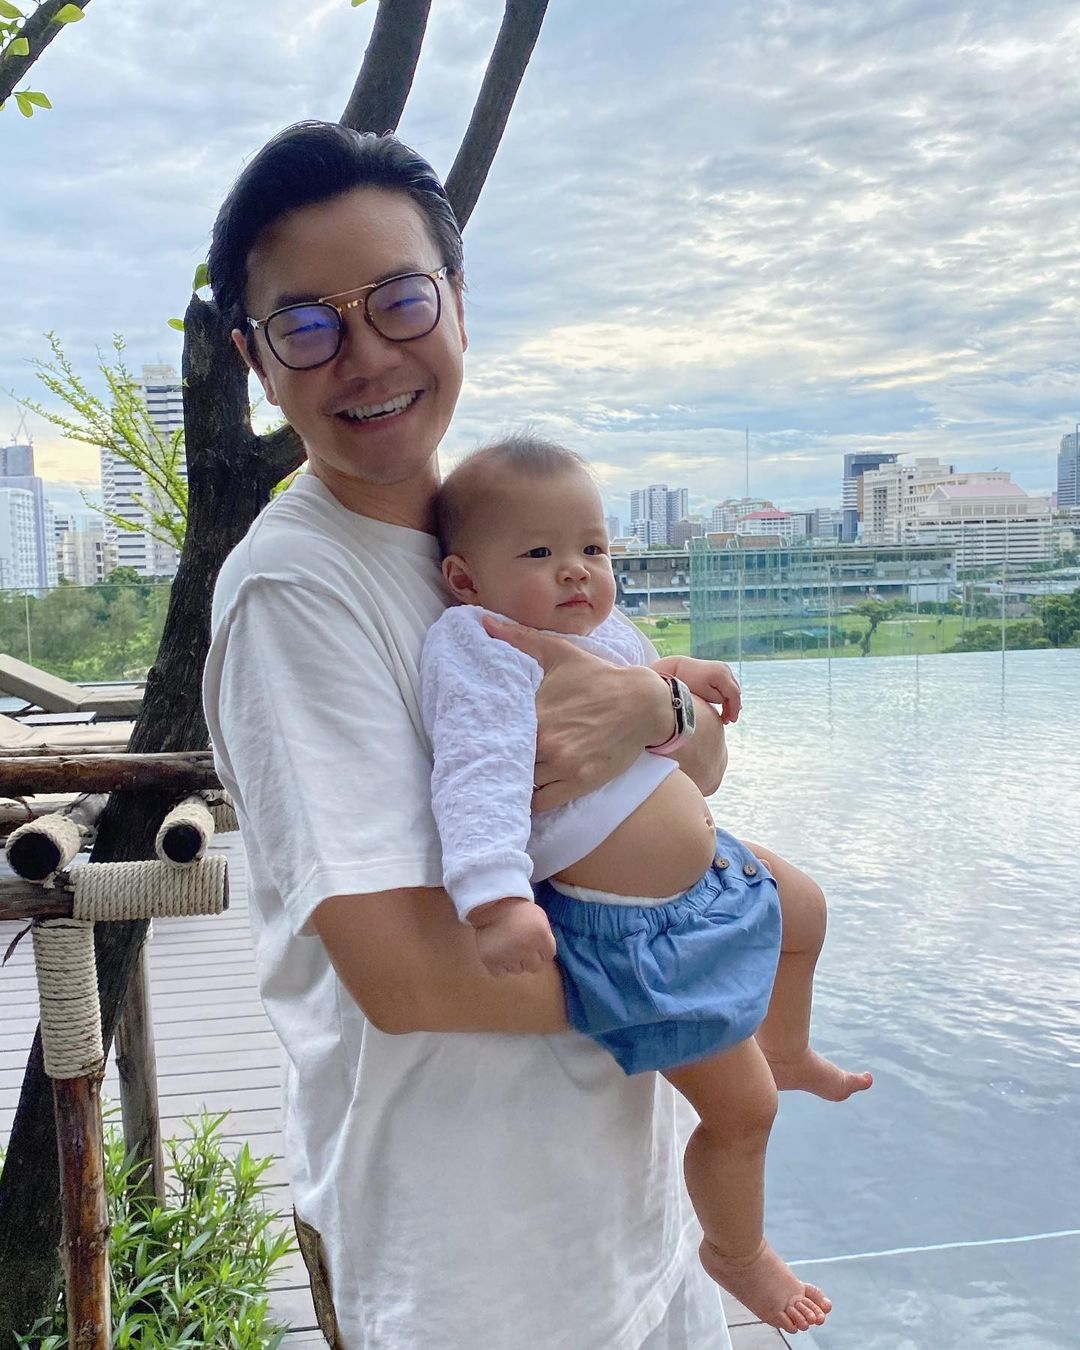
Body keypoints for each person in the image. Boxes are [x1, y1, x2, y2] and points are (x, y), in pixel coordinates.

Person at [202, 119, 752, 1350]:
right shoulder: (298, 591)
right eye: (307, 325)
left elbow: (701, 765)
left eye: (399, 300)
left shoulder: (506, 535)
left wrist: (656, 707)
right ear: (258, 362)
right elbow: (407, 976)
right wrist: (715, 973)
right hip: (481, 1266)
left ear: (458, 298)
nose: (365, 356)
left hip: (628, 1209)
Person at [421, 434, 872, 1335]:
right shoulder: (481, 647)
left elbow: (646, 688)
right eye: (540, 553)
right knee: (742, 1112)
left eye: (592, 548)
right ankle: (738, 1252)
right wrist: (496, 899)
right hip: (633, 934)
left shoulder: (599, 630)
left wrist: (681, 678)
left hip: (710, 874)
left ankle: (786, 1046)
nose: (576, 571)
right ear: (466, 580)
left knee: (806, 907)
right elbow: (473, 773)